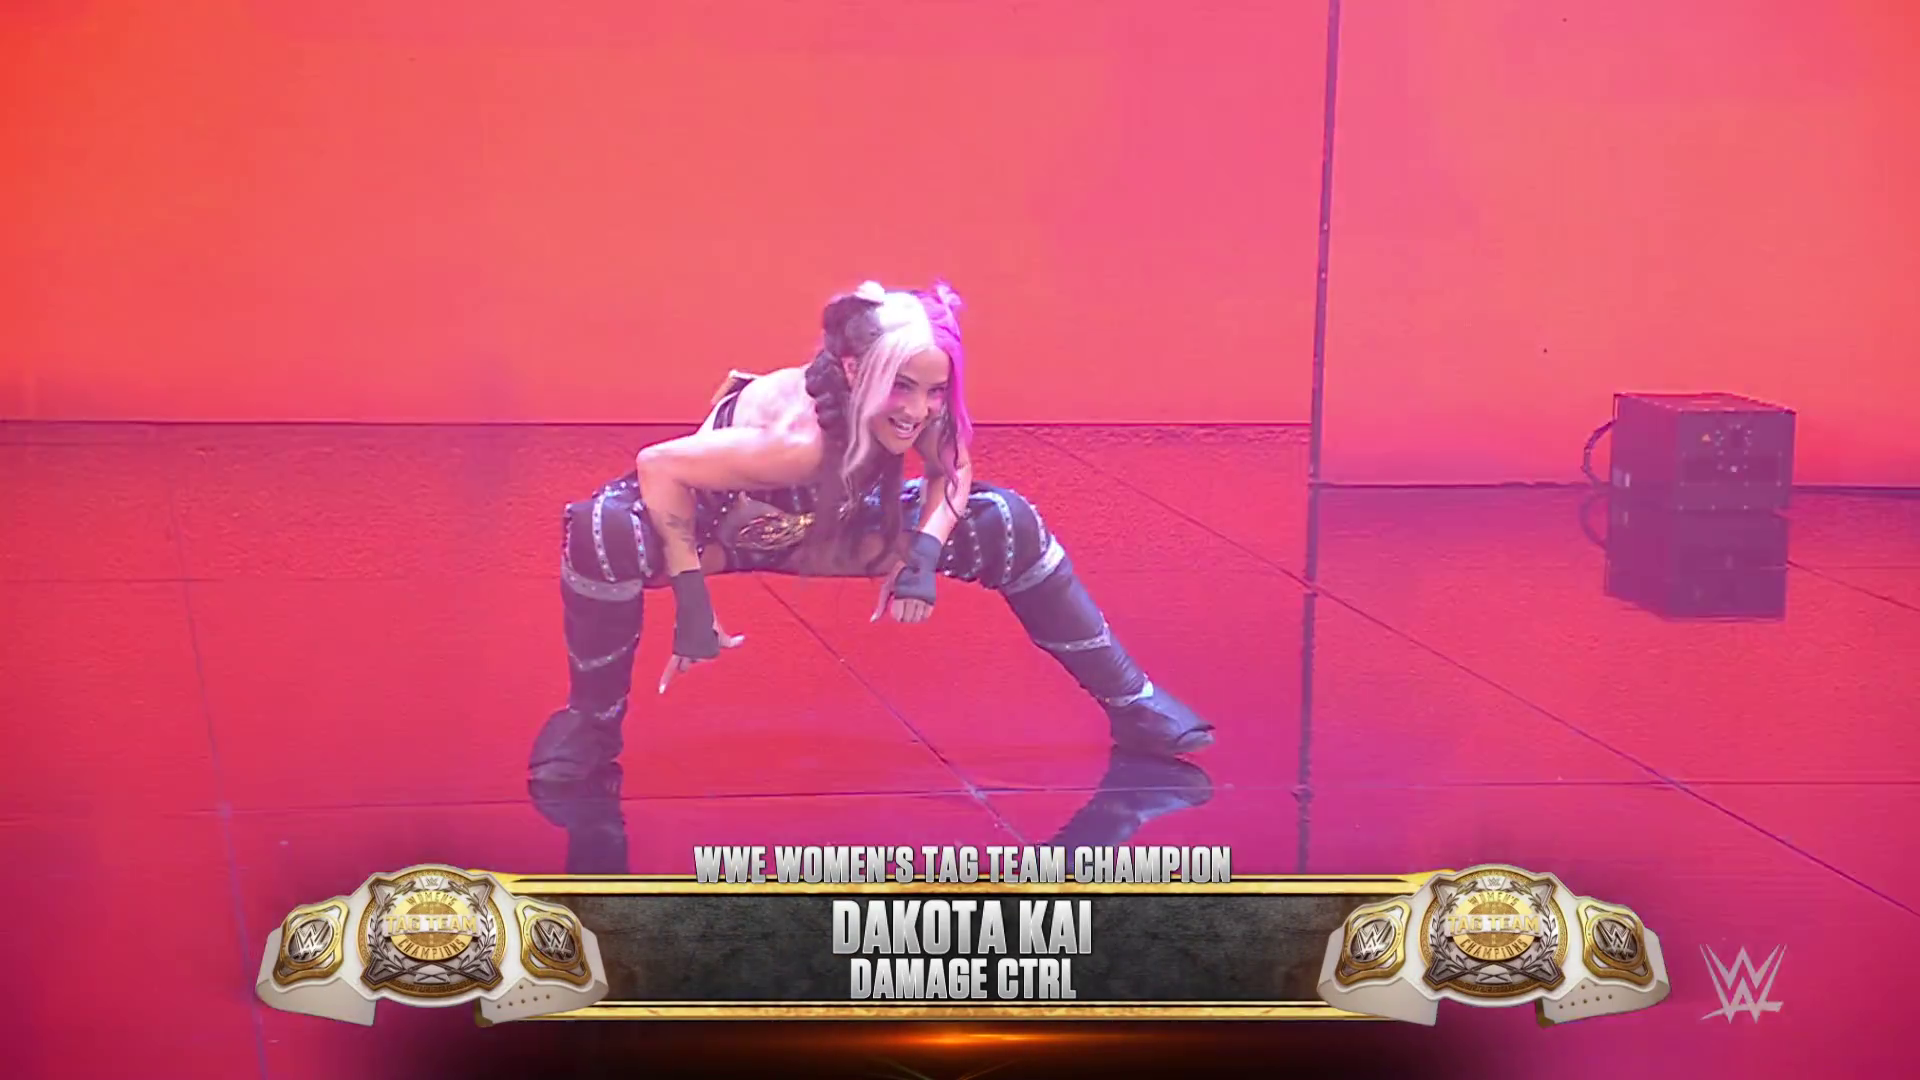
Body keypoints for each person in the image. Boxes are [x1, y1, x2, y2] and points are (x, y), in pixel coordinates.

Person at [528, 280, 1216, 869]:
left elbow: (953, 468)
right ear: (855, 372)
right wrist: (691, 604)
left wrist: (922, 557)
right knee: (601, 528)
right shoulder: (794, 442)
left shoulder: (919, 409)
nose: (917, 409)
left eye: (934, 390)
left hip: (834, 528)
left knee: (1006, 520)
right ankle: (591, 725)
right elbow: (658, 466)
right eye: (902, 388)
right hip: (719, 532)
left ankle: (1134, 705)